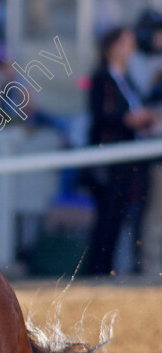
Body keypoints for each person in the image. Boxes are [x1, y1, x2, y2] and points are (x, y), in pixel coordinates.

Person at [86, 27, 156, 275]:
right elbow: (102, 116)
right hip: (109, 159)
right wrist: (128, 120)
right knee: (107, 216)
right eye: (126, 43)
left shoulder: (126, 79)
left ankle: (109, 269)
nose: (131, 49)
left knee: (119, 215)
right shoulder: (102, 77)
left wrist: (144, 120)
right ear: (113, 46)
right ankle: (98, 271)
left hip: (128, 158)